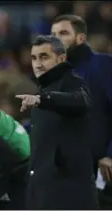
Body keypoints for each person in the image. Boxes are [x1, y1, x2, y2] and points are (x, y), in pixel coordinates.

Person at [16, 35, 97, 209]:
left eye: (44, 57)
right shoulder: (43, 90)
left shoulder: (72, 82)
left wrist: (43, 100)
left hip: (68, 192)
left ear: (60, 59)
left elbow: (81, 101)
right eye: (34, 58)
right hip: (43, 191)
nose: (38, 64)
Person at [51, 14, 112, 180]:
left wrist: (110, 155)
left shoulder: (103, 65)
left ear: (80, 38)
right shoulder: (55, 75)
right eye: (53, 35)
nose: (56, 40)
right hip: (66, 173)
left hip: (101, 171)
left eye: (63, 33)